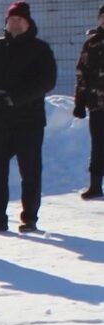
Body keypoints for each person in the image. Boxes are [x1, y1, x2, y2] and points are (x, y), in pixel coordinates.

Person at [0, 2, 57, 234]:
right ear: (6, 23)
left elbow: (47, 80)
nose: (16, 23)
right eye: (12, 20)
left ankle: (29, 217)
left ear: (28, 23)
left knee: (29, 172)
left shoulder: (40, 49)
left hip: (29, 121)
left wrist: (17, 97)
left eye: (20, 19)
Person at [73, 4, 104, 199]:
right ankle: (95, 184)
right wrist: (79, 102)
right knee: (98, 144)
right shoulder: (91, 44)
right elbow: (81, 73)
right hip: (97, 104)